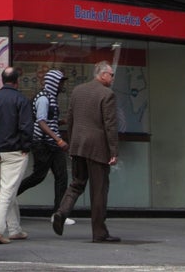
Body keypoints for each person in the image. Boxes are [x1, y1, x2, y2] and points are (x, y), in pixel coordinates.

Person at [52, 63, 120, 243]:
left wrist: (72, 143)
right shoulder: (107, 94)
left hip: (78, 145)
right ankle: (99, 232)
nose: (113, 78)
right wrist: (113, 151)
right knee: (99, 190)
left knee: (77, 183)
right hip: (97, 148)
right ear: (103, 75)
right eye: (111, 75)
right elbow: (110, 125)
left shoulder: (77, 91)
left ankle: (61, 212)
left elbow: (71, 118)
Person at [0, 66, 33, 245]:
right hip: (15, 151)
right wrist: (26, 146)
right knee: (7, 191)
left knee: (6, 189)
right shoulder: (21, 99)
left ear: (2, 80)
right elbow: (27, 127)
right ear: (17, 80)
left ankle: (15, 229)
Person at [23, 68, 74, 229]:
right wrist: (59, 140)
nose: (62, 85)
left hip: (49, 143)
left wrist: (62, 122)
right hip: (43, 144)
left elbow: (48, 121)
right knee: (38, 176)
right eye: (60, 82)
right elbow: (41, 122)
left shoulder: (50, 98)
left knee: (61, 176)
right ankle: (6, 197)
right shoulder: (44, 99)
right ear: (53, 83)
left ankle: (59, 213)